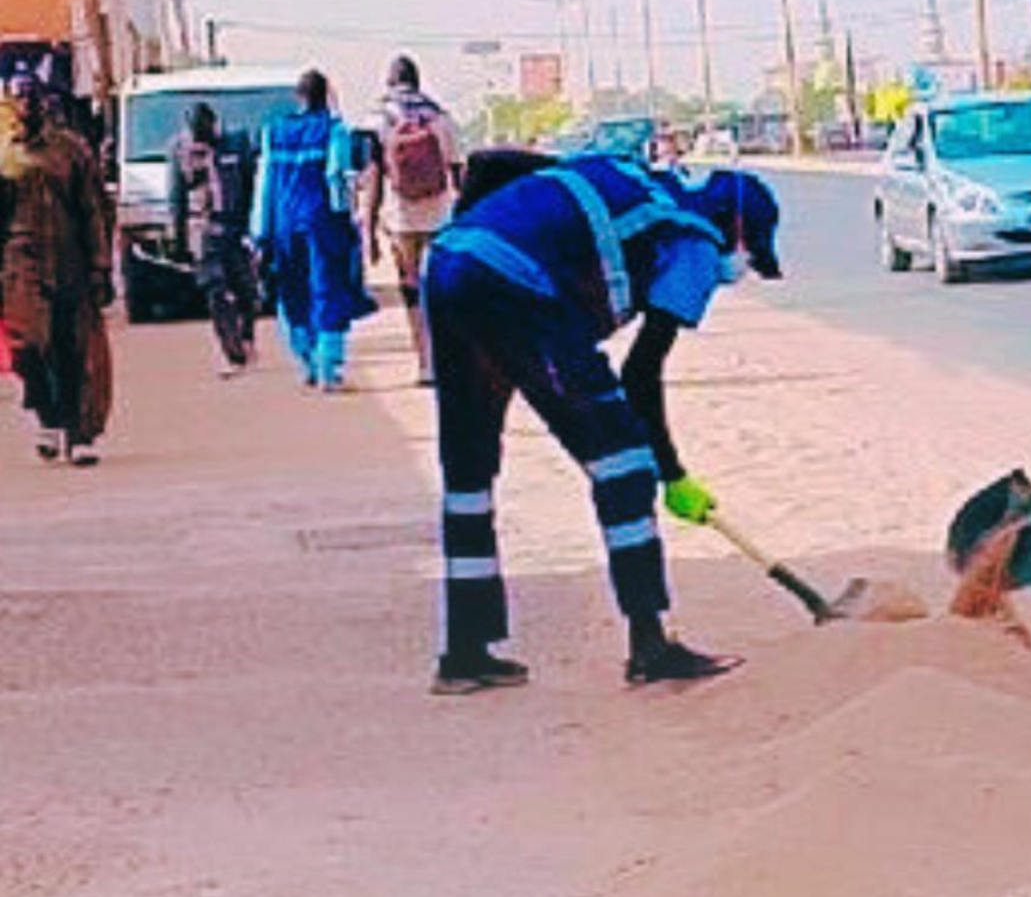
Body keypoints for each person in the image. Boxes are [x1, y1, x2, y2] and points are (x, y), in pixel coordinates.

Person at [423, 152, 784, 695]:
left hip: (449, 262)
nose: (737, 267)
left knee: (468, 472)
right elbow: (641, 372)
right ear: (737, 229)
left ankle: (466, 654)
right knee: (624, 465)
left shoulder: (632, 178)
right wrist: (670, 473)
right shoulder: (695, 240)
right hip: (517, 288)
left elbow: (490, 163)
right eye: (749, 255)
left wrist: (477, 227)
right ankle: (650, 645)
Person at [0, 64, 114, 466]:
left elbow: (93, 210)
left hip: (69, 262)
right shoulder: (4, 153)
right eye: (18, 97)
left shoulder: (69, 150)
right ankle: (45, 419)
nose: (25, 104)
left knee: (70, 349)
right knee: (28, 348)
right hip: (18, 266)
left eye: (31, 95)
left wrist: (100, 266)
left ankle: (76, 433)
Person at [255, 70, 369, 392]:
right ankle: (329, 369)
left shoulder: (273, 132)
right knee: (328, 289)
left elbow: (264, 186)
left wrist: (260, 231)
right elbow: (337, 177)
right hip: (322, 221)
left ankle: (305, 360)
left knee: (292, 293)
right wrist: (347, 219)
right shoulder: (334, 130)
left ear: (298, 96)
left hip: (284, 224)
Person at [366, 56, 462, 386]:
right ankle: (446, 358)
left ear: (390, 82)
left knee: (411, 292)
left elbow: (374, 177)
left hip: (400, 219)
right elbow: (457, 170)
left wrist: (368, 230)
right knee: (439, 289)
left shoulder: (381, 120)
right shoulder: (441, 117)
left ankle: (425, 363)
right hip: (439, 215)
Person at [170, 102, 262, 377]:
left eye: (203, 129)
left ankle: (246, 337)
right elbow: (176, 196)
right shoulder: (181, 152)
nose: (199, 136)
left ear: (214, 123)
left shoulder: (236, 143)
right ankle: (232, 353)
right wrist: (179, 239)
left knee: (246, 291)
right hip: (205, 230)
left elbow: (251, 185)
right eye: (194, 131)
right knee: (216, 291)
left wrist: (253, 226)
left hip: (235, 228)